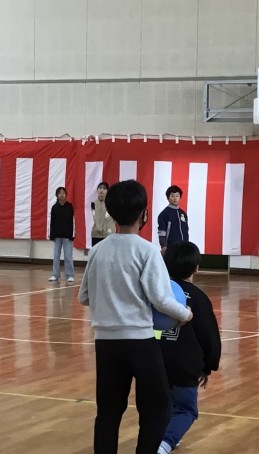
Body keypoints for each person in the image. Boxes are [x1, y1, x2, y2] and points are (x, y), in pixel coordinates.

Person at [78, 179, 194, 454]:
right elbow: (161, 299)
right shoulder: (147, 250)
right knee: (156, 408)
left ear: (111, 212)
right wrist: (185, 314)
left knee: (108, 412)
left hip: (105, 344)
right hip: (140, 342)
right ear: (144, 214)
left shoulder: (98, 250)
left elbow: (84, 296)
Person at [157, 241, 221, 454]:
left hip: (154, 360)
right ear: (196, 267)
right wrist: (208, 366)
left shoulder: (156, 292)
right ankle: (164, 445)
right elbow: (209, 336)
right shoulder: (199, 297)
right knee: (186, 409)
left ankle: (162, 437)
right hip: (184, 365)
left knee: (159, 405)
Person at [49, 187, 75, 282]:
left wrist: (72, 234)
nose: (62, 195)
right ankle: (55, 275)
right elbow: (51, 222)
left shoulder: (70, 207)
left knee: (68, 256)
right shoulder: (54, 207)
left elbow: (73, 221)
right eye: (60, 193)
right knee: (56, 256)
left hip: (67, 236)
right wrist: (51, 235)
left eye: (64, 193)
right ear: (57, 195)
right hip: (57, 236)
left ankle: (70, 275)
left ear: (66, 195)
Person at [158, 185, 189, 254]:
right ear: (168, 198)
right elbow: (162, 232)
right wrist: (163, 246)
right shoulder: (164, 214)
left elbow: (186, 230)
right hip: (171, 248)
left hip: (184, 247)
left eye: (177, 196)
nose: (175, 198)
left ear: (180, 197)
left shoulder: (183, 213)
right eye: (172, 196)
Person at [91, 182, 115, 247]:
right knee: (96, 253)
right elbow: (94, 218)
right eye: (100, 188)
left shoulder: (111, 204)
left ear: (107, 191)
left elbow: (115, 219)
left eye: (104, 188)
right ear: (97, 190)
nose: (101, 190)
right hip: (96, 235)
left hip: (108, 234)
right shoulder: (93, 204)